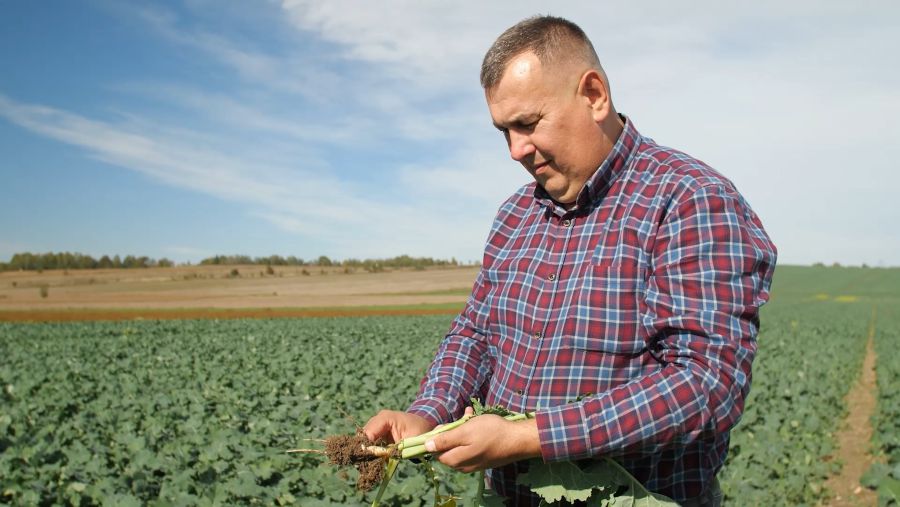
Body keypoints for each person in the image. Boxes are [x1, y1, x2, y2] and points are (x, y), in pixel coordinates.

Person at [364, 15, 776, 506]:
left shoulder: (689, 200)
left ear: (594, 94)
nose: (516, 150)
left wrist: (531, 437)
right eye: (504, 132)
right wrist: (428, 413)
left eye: (528, 124)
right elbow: (476, 334)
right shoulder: (515, 215)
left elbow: (705, 384)